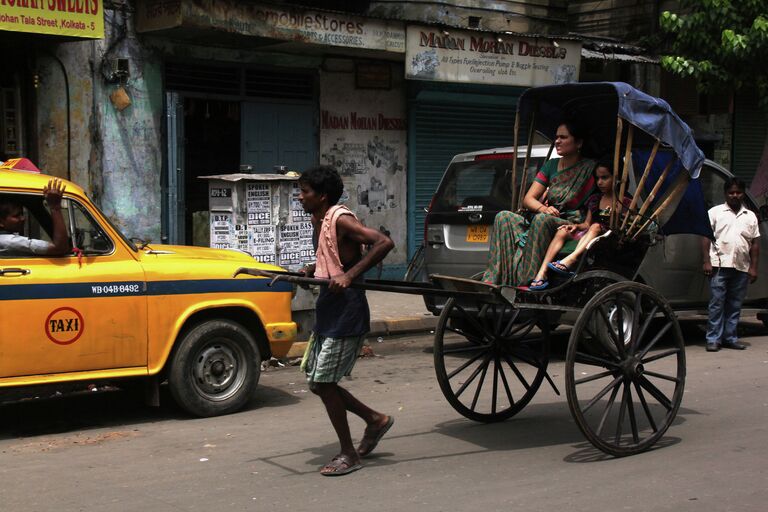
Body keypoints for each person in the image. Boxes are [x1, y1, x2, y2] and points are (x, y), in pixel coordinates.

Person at [297, 165, 395, 476]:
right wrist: (312, 271)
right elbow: (336, 259)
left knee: (323, 383)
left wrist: (350, 276)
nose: (300, 198)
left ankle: (349, 453)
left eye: (305, 192)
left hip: (348, 311)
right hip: (329, 308)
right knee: (318, 383)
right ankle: (375, 420)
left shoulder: (340, 219)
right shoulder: (320, 220)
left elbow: (383, 242)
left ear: (322, 196)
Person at [482, 120, 597, 286]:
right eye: (556, 137)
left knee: (542, 219)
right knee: (503, 217)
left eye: (563, 137)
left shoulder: (589, 168)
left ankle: (527, 277)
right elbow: (528, 199)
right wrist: (544, 208)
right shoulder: (551, 166)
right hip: (544, 215)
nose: (557, 141)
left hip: (571, 221)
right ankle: (494, 278)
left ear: (578, 142)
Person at [529, 162, 630, 290]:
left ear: (617, 179)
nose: (599, 182)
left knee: (596, 226)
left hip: (608, 238)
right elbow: (586, 224)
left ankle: (572, 259)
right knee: (563, 231)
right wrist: (575, 227)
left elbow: (624, 225)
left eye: (605, 178)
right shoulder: (595, 199)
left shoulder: (625, 202)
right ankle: (542, 273)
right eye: (598, 178)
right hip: (590, 233)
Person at [701, 177, 760, 351]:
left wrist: (754, 267)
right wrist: (706, 261)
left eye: (738, 192)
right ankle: (713, 339)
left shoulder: (750, 217)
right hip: (719, 266)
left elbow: (755, 244)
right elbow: (705, 238)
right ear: (725, 194)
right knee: (717, 304)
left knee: (734, 304)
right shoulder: (715, 213)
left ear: (743, 194)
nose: (735, 195)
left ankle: (730, 337)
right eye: (731, 192)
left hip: (741, 267)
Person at [0, 178, 70, 256]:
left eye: (21, 214)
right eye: (16, 216)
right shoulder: (9, 241)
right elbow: (60, 248)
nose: (23, 218)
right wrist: (55, 207)